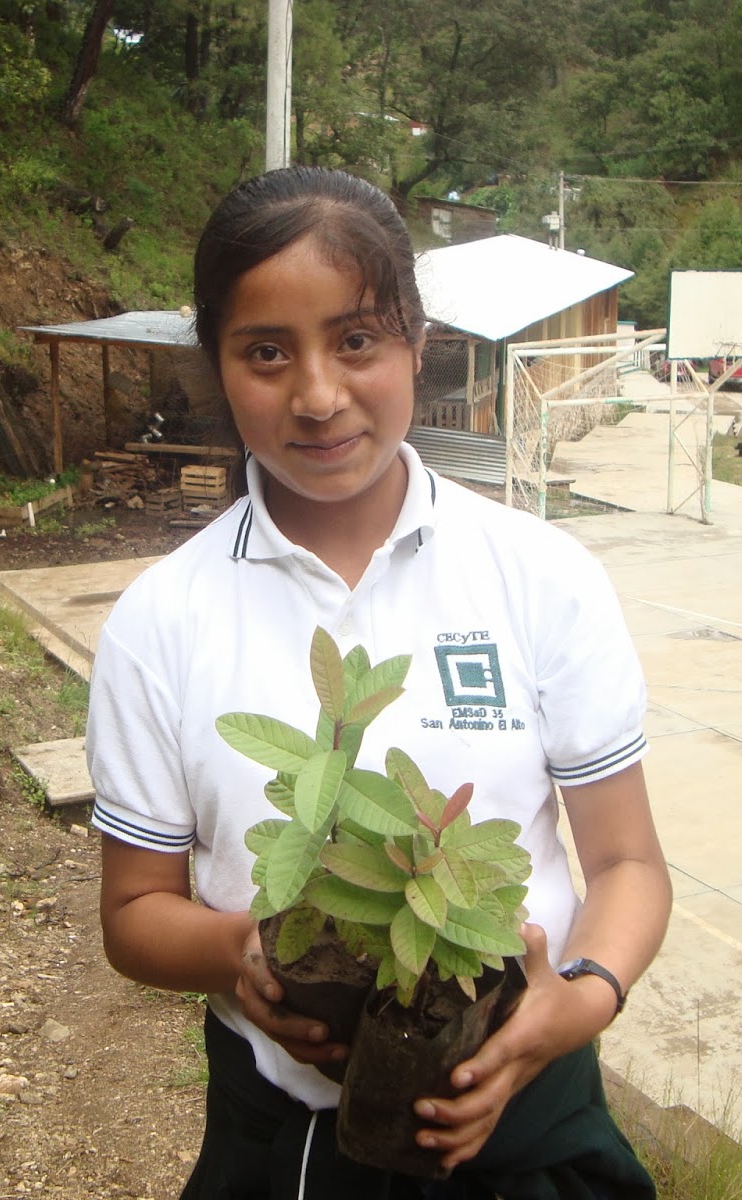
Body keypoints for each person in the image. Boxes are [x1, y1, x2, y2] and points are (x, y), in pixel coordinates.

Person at [87, 165, 671, 1199]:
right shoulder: (161, 621)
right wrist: (243, 956)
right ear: (216, 367)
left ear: (416, 341)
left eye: (356, 339)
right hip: (290, 1146)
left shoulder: (540, 577)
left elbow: (626, 863)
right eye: (266, 352)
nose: (317, 396)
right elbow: (135, 911)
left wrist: (580, 1000)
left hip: (538, 1128)